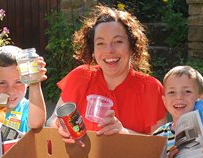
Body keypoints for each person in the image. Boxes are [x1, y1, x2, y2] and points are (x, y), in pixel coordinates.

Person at [47, 5, 167, 139]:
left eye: (118, 41)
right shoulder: (80, 76)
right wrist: (60, 128)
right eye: (100, 43)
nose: (109, 50)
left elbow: (160, 145)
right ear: (93, 50)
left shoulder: (151, 88)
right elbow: (53, 120)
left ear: (132, 46)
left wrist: (124, 133)